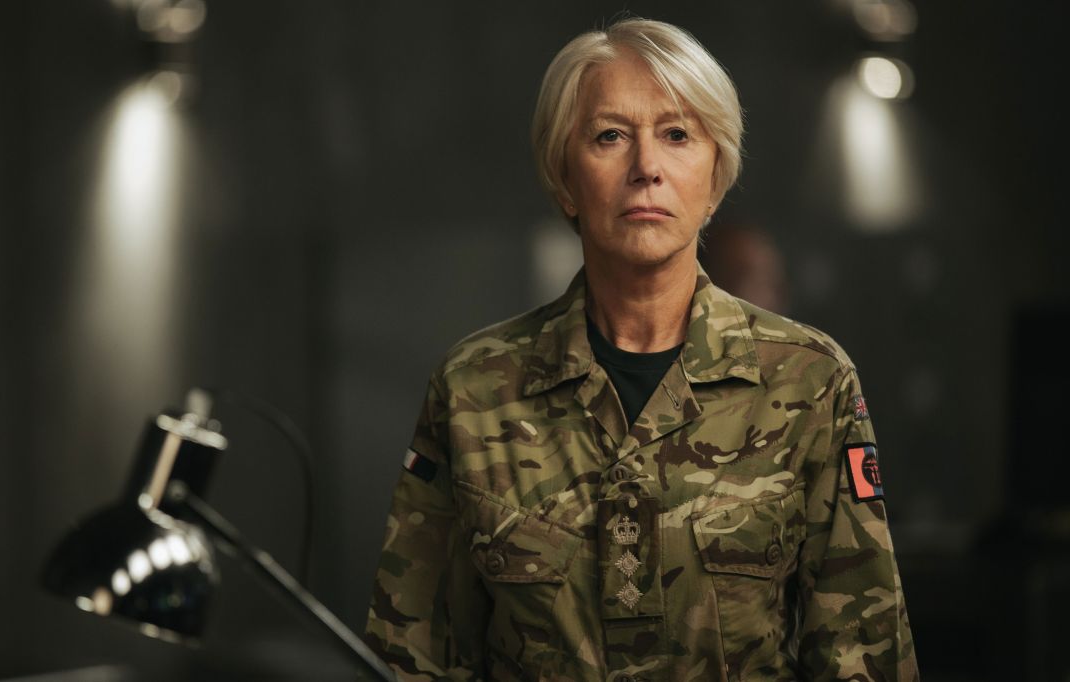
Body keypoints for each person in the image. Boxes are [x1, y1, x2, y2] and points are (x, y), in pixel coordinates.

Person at [363, 17, 918, 681]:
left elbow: (862, 659)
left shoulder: (810, 382)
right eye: (610, 136)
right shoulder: (474, 389)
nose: (646, 168)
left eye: (677, 135)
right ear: (564, 177)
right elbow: (411, 658)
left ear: (715, 176)